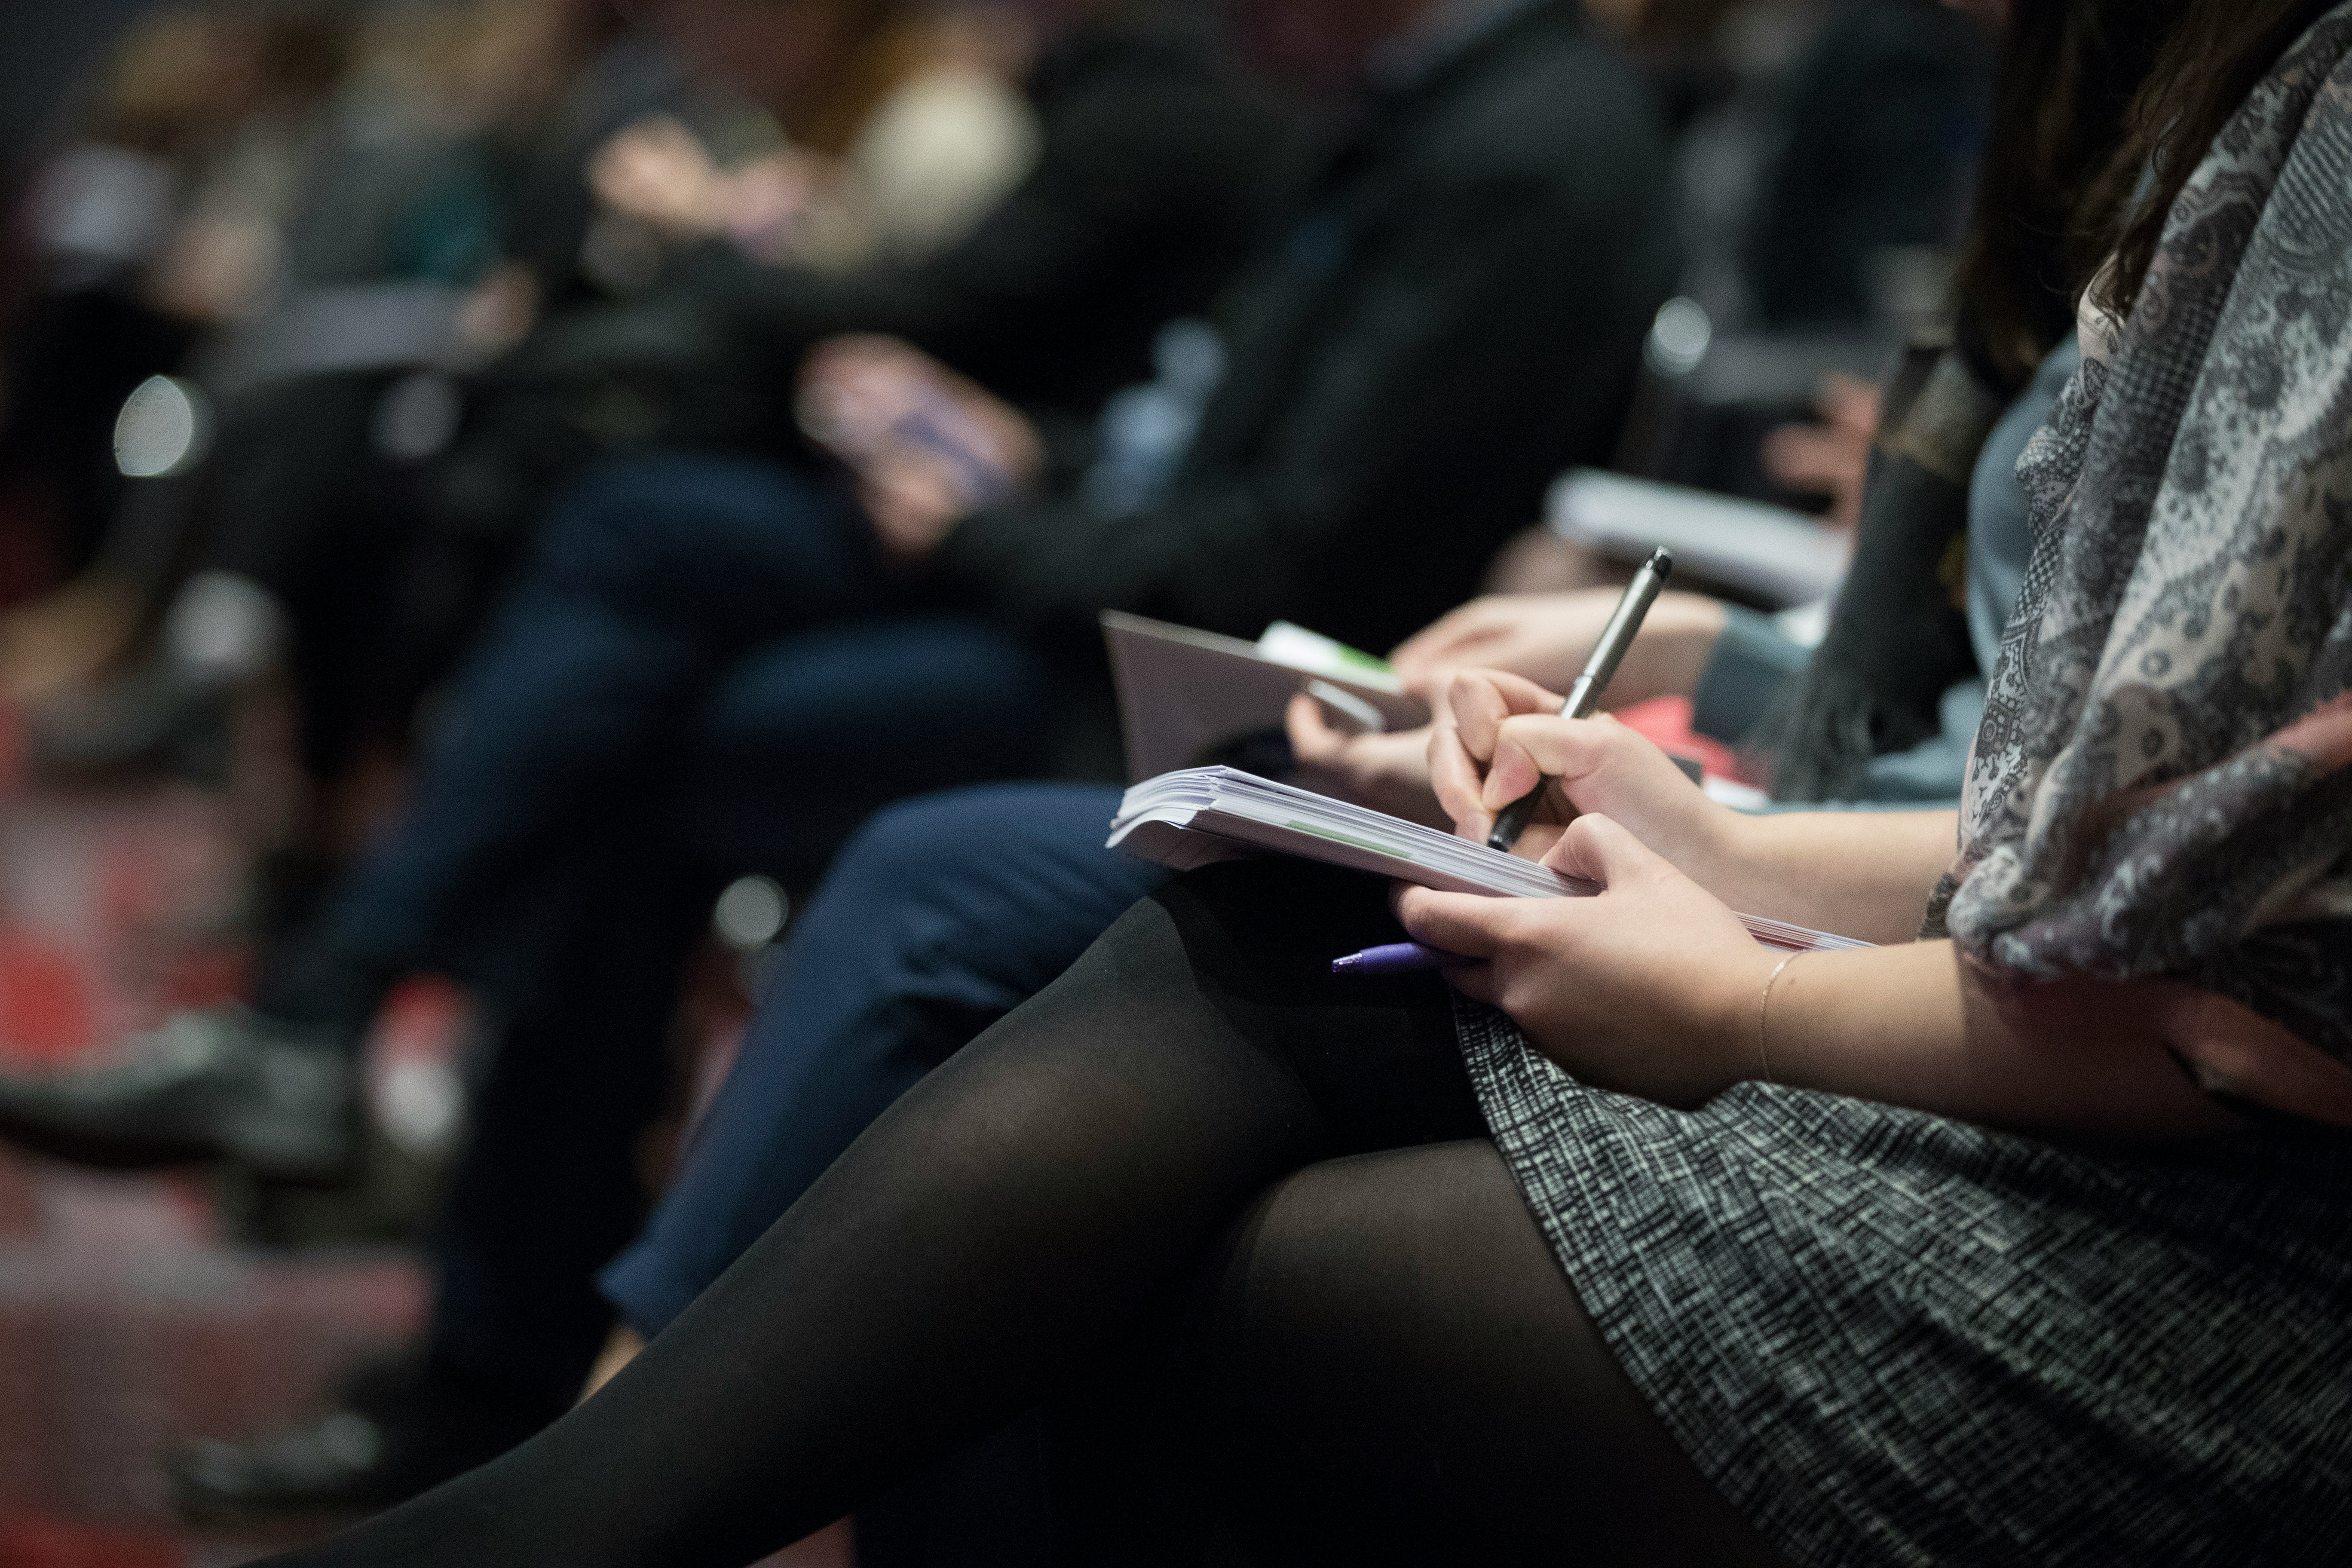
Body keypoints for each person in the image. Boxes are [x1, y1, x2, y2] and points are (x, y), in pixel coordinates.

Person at [241, 1, 2352, 1562]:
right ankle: (524, 1435)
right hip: (1987, 981)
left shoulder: (1527, 140)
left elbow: (2227, 993)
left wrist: (1757, 972)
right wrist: (1713, 824)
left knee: (1091, 1131)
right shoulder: (2204, 117)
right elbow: (2081, 829)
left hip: (2222, 1257)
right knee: (1078, 857)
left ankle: (536, 1459)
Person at [7, 0, 1679, 1519]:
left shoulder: (1510, 147)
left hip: (1237, 691)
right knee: (635, 545)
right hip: (1105, 587)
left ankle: (531, 1399)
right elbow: (1201, 431)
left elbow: (1282, 563)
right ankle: (485, 1325)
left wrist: (996, 515)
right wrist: (1028, 461)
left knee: (675, 740)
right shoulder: (1396, 97)